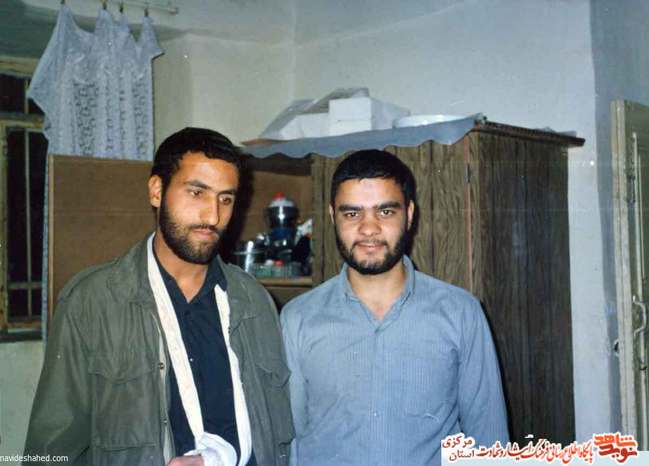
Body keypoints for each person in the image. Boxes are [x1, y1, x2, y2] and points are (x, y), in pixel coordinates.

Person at [24, 128, 293, 466]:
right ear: (156, 191)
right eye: (197, 192)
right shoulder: (93, 302)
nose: (213, 216)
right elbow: (50, 451)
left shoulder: (254, 301)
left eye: (225, 199)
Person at [280, 149, 508, 466]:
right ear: (333, 216)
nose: (368, 228)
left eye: (385, 212)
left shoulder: (461, 313)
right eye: (352, 214)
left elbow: (490, 443)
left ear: (409, 214)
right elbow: (290, 443)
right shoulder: (298, 319)